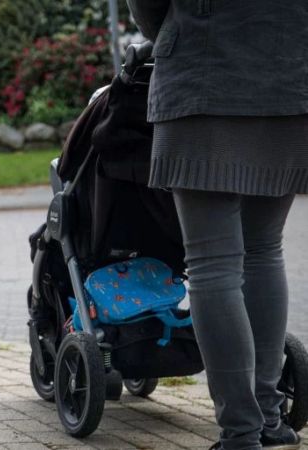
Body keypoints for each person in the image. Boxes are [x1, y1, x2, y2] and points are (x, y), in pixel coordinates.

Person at [127, 1, 308, 449]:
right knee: (265, 249)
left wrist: (167, 29)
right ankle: (267, 418)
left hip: (202, 77)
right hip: (290, 78)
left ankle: (240, 432)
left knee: (213, 264)